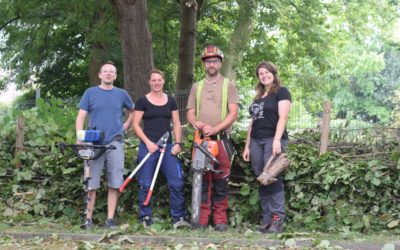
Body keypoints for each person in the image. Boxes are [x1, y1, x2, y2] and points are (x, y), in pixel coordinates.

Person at [76, 61, 134, 229]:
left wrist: (126, 126)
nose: (108, 74)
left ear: (115, 76)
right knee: (91, 182)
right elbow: (81, 117)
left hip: (115, 143)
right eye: (105, 71)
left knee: (114, 183)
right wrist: (80, 138)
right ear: (100, 75)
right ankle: (88, 220)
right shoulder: (90, 93)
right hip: (93, 143)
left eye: (112, 72)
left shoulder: (122, 94)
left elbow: (133, 111)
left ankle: (110, 220)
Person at [186, 44, 239, 231]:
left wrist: (215, 128)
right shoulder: (196, 87)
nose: (212, 64)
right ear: (204, 64)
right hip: (201, 140)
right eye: (208, 61)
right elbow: (190, 113)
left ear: (220, 63)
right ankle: (200, 219)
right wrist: (197, 123)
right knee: (202, 178)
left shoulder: (229, 85)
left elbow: (233, 113)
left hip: (221, 140)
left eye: (215, 61)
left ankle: (219, 220)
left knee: (221, 180)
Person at [132, 69, 190, 229]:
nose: (156, 82)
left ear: (163, 81)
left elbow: (177, 123)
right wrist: (148, 143)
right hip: (148, 147)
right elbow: (135, 125)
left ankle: (178, 218)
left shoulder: (171, 100)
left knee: (177, 182)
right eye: (153, 80)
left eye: (159, 80)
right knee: (145, 183)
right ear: (149, 82)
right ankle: (145, 217)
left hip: (168, 147)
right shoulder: (142, 101)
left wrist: (178, 143)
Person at [242, 61, 291, 233]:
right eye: (261, 73)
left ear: (273, 73)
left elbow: (283, 117)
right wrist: (247, 146)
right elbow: (252, 123)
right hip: (256, 140)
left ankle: (277, 220)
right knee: (262, 178)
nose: (264, 75)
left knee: (272, 177)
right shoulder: (258, 97)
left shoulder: (281, 92)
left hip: (273, 139)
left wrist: (277, 140)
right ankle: (267, 219)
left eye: (267, 72)